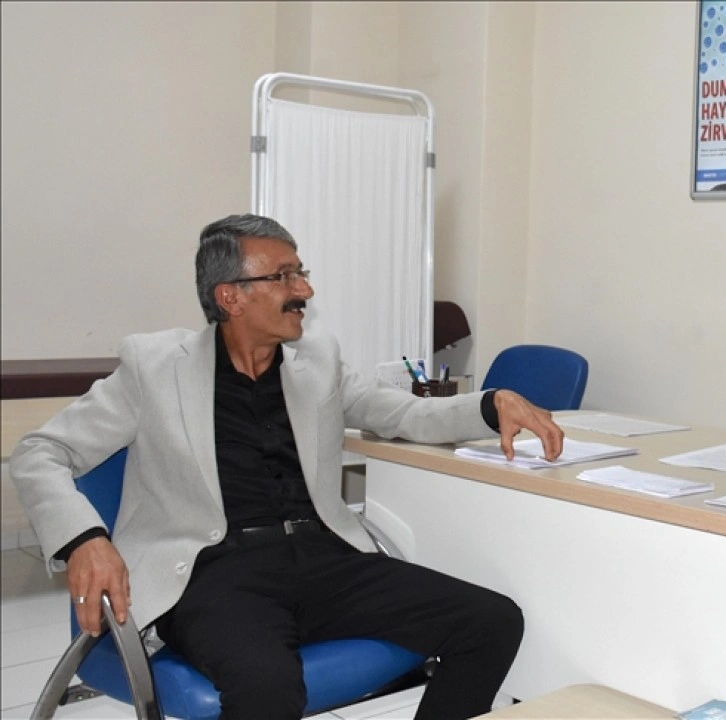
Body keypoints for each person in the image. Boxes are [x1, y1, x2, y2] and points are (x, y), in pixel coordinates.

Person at [10, 214, 565, 719]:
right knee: (267, 686)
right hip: (213, 573)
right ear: (230, 296)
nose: (304, 290)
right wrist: (85, 540)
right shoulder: (154, 367)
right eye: (284, 276)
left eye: (301, 273)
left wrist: (490, 404)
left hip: (324, 559)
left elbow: (403, 413)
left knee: (491, 622)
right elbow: (41, 452)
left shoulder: (317, 364)